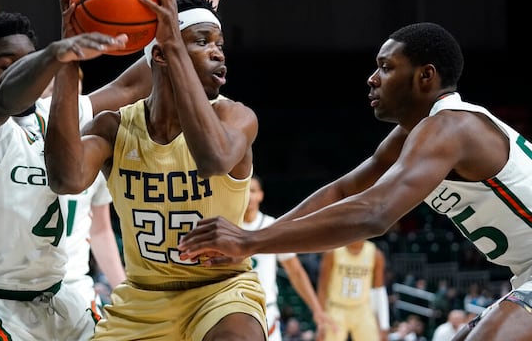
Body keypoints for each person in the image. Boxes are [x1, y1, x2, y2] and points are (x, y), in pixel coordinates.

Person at [0, 0, 234, 340]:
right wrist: (54, 53)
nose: (21, 68)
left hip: (70, 299)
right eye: (5, 62)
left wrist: (195, 15)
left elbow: (135, 82)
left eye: (28, 58)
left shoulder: (65, 115)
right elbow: (5, 99)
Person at [177, 22, 532, 341]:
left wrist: (251, 241)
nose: (372, 78)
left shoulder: (451, 127)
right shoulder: (414, 135)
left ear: (425, 76)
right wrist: (251, 245)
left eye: (386, 67)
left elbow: (374, 213)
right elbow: (343, 191)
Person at [44, 0, 267, 340]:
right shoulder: (114, 128)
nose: (218, 53)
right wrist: (68, 56)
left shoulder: (234, 116)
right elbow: (65, 179)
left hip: (223, 292)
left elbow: (212, 158)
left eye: (220, 44)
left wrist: (187, 31)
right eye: (203, 42)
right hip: (144, 299)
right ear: (163, 55)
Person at [42, 68, 126, 313]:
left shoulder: (93, 151)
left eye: (72, 95)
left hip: (74, 285)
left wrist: (122, 289)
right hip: (20, 286)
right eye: (52, 93)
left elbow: (99, 229)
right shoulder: (12, 143)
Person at [243, 174, 330, 340]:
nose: (248, 196)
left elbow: (296, 271)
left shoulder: (272, 227)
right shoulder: (229, 226)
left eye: (252, 191)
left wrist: (317, 309)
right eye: (245, 190)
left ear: (260, 195)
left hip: (266, 311)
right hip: (235, 309)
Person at [317, 239, 390, 341]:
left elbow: (379, 290)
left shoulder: (375, 254)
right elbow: (322, 287)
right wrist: (321, 322)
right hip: (336, 308)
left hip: (362, 308)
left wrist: (384, 325)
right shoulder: (332, 252)